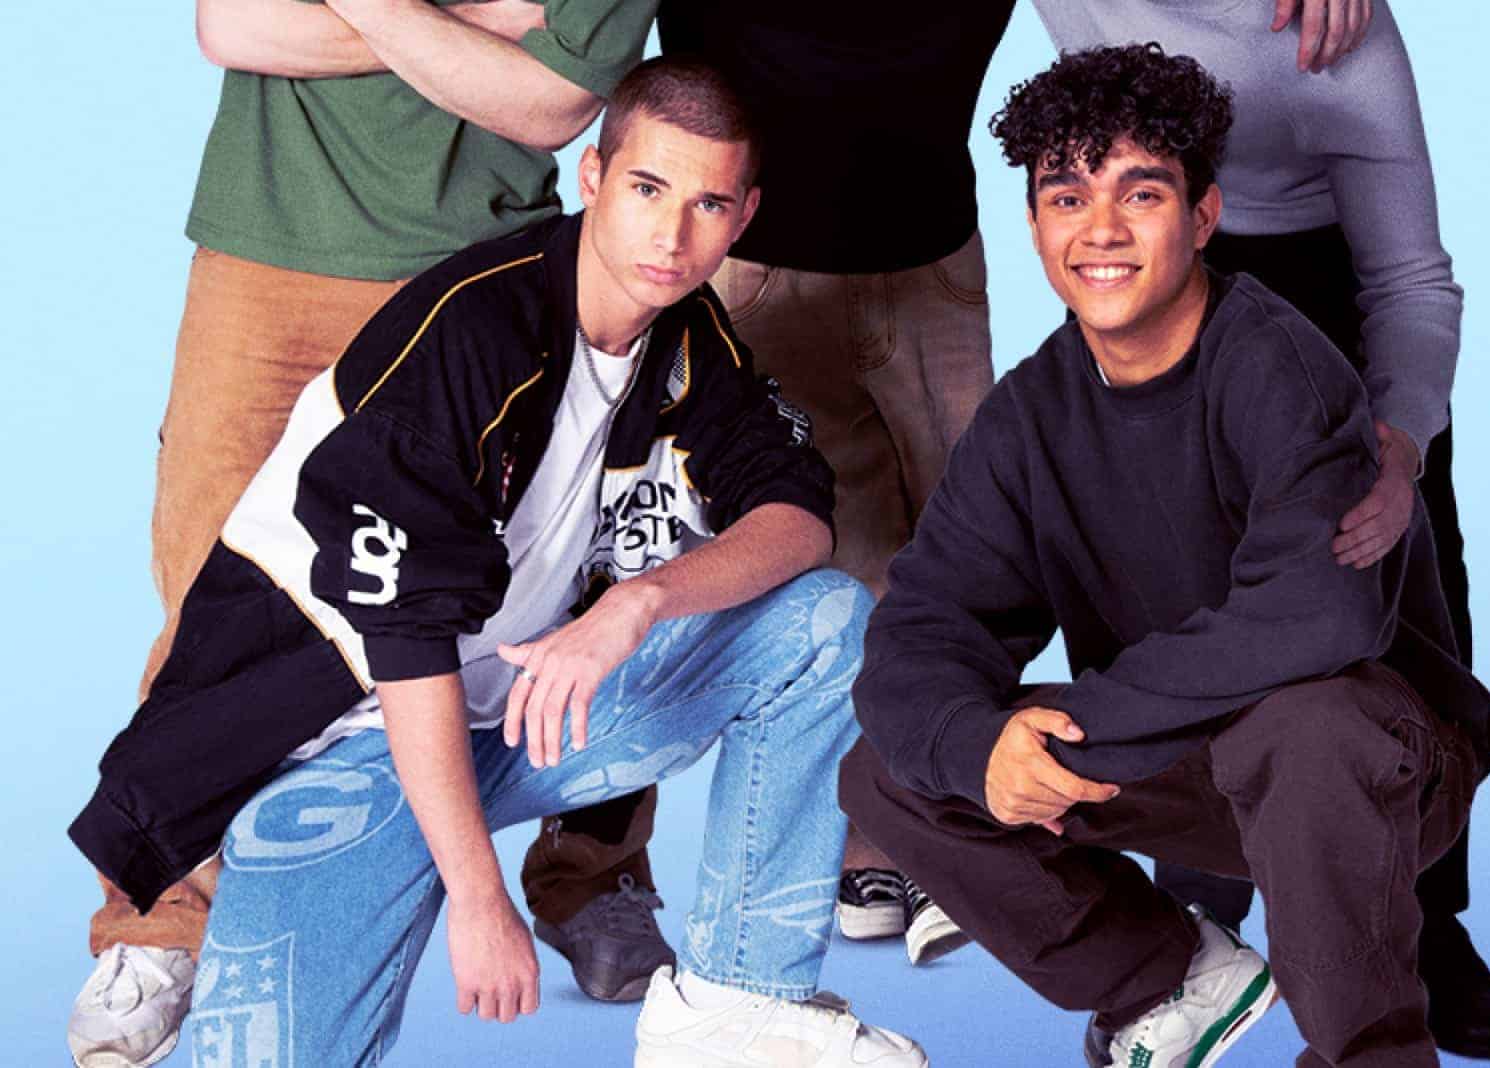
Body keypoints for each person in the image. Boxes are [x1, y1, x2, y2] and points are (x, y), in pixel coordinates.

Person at [69, 58, 929, 1068]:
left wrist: (639, 603)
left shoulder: (688, 337)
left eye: (706, 204)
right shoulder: (473, 326)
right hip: (344, 742)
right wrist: (478, 896)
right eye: (649, 189)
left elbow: (797, 516)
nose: (671, 235)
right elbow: (404, 642)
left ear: (744, 216)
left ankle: (736, 1001)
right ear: (593, 178)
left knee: (821, 621)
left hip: (519, 712)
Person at [840, 44, 1490, 1067]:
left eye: (1140, 194)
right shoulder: (1030, 416)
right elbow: (922, 632)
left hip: (1380, 768)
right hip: (1190, 759)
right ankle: (1167, 977)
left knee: (1307, 722)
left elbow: (1318, 617)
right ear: (1034, 225)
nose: (1100, 230)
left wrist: (1084, 727)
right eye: (1067, 198)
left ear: (1203, 216)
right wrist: (983, 750)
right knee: (892, 767)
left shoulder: (1280, 366)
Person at [69, 1, 662, 1064]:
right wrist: (485, 21)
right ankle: (161, 924)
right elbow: (231, 27)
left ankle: (593, 877)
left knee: (571, 570)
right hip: (267, 253)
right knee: (208, 592)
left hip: (479, 260)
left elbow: (552, 103)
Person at [1031, 1, 1490, 1055]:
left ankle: (1427, 917)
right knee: (1146, 575)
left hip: (1319, 285)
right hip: (1141, 262)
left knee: (1398, 581)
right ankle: (1192, 909)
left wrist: (1400, 445)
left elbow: (1410, 279)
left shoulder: (1337, 38)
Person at [522, 0, 1016, 975]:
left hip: (932, 253)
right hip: (744, 253)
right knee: (660, 537)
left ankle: (903, 834)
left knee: (969, 556)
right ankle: (594, 871)